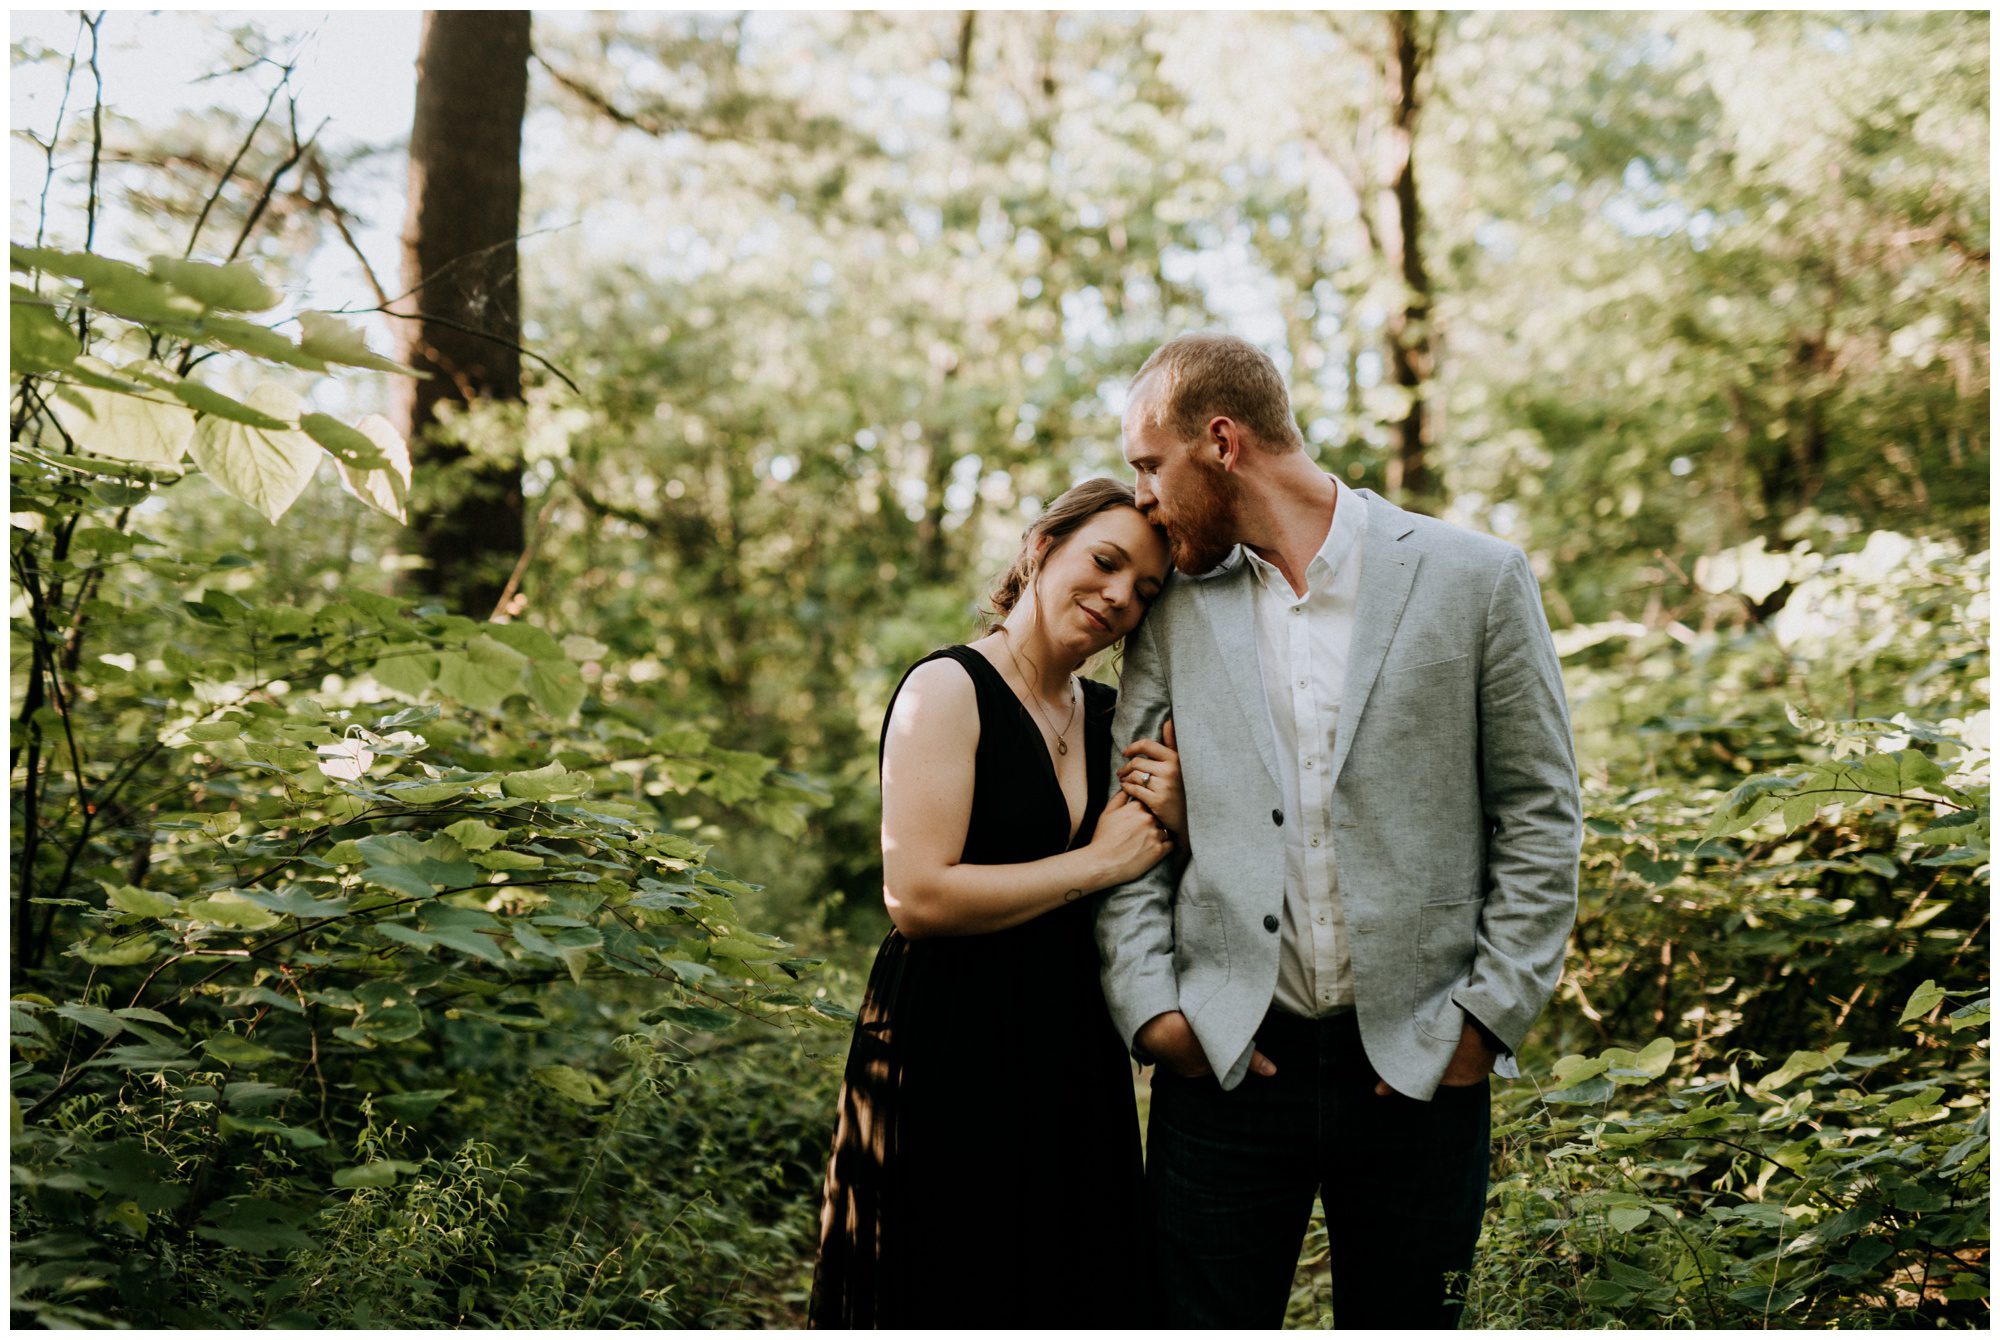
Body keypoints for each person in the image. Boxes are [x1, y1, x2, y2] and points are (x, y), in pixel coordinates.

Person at [1096, 333, 1582, 1329]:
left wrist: (1485, 1019)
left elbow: (1539, 808)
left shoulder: (1474, 577)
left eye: (1149, 464)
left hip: (1418, 1063)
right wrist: (1153, 1009)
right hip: (1223, 1064)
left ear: (1219, 441)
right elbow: (1129, 818)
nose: (1139, 495)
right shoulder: (1170, 610)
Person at [809, 477, 1181, 1328]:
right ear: (1042, 548)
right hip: (946, 1037)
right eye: (1107, 561)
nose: (1120, 596)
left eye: (1146, 590)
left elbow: (1158, 860)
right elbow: (919, 894)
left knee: (1062, 1282)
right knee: (945, 1280)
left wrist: (1180, 818)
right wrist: (1093, 864)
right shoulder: (948, 689)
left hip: (1069, 1041)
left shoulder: (1111, 715)